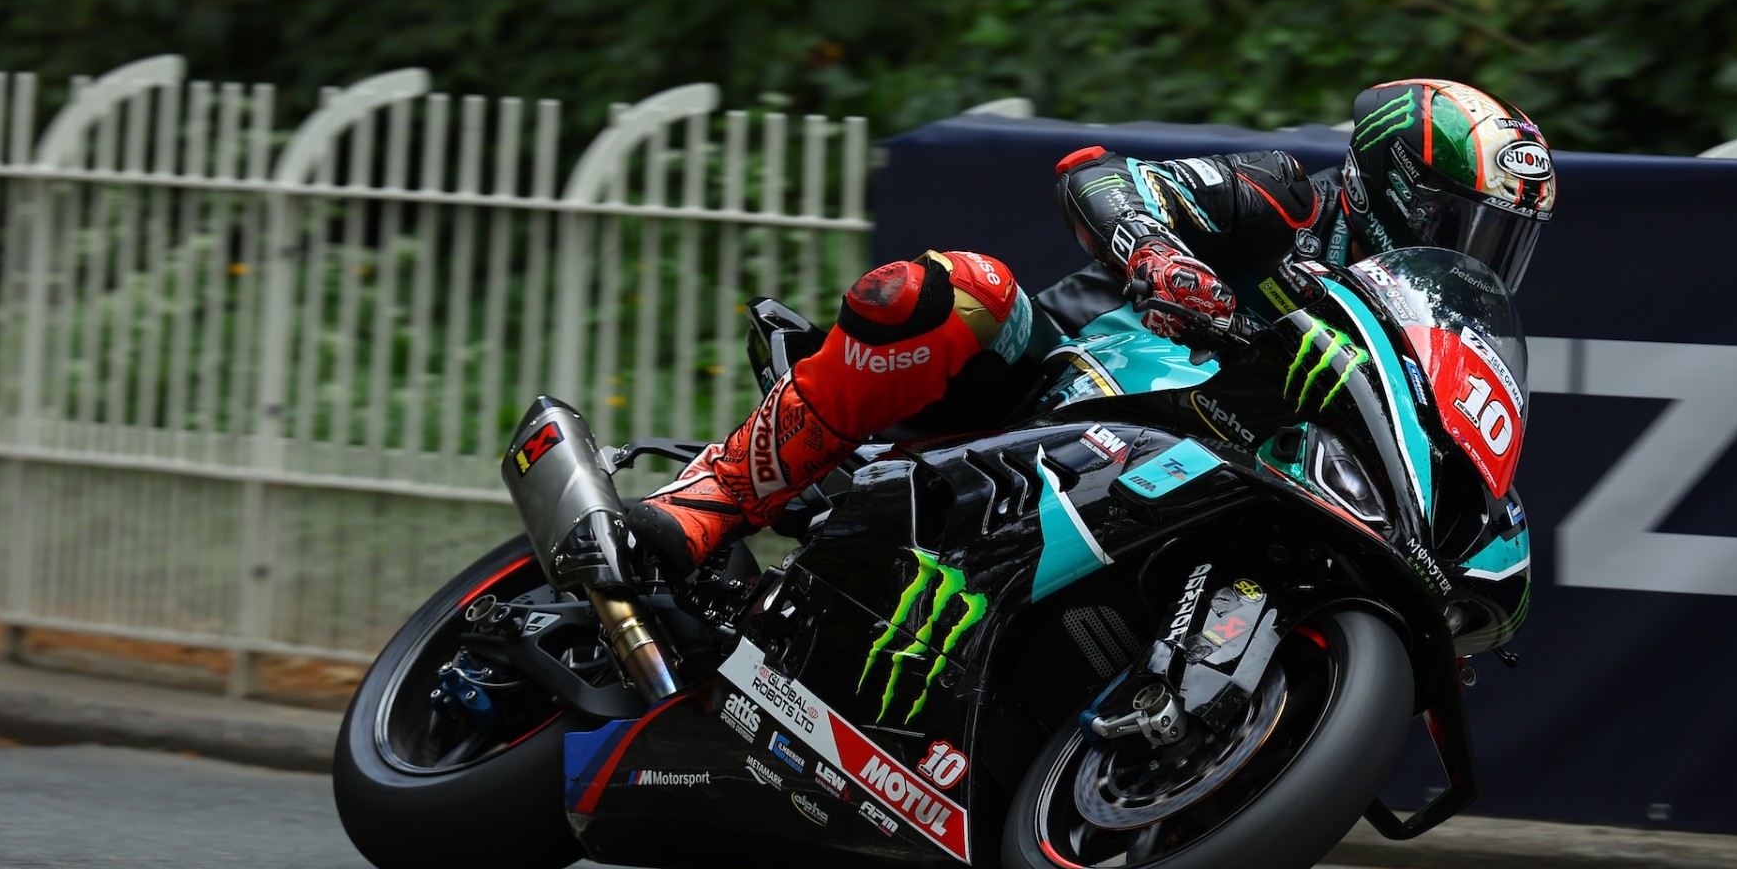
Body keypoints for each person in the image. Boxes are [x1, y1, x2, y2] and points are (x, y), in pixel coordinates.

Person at [563, 78, 1555, 585]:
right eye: (1459, 221)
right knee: (959, 291)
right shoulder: (1289, 197)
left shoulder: (1419, 334)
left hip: (1196, 495)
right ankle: (709, 498)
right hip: (1059, 390)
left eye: (1499, 241)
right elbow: (1098, 176)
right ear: (1393, 187)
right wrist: (1162, 258)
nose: (1472, 254)